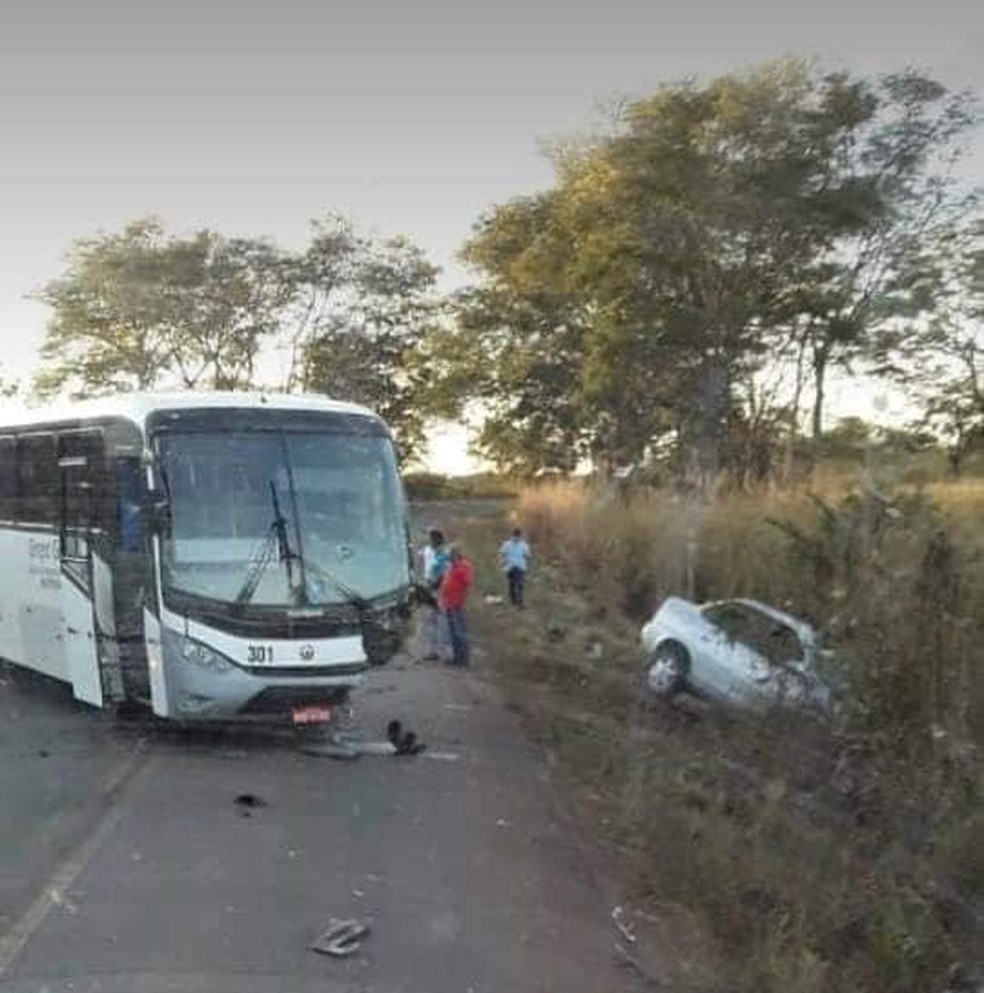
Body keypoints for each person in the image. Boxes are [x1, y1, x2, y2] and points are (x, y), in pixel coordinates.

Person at [419, 529, 452, 661]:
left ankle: (446, 653)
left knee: (441, 621)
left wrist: (432, 586)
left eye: (431, 539)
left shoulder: (443, 553)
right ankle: (434, 651)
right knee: (432, 620)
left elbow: (444, 574)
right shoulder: (438, 553)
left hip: (439, 591)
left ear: (437, 540)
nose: (430, 542)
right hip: (434, 589)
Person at [440, 545, 474, 668]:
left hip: (457, 603)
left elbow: (467, 584)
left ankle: (464, 659)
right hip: (449, 603)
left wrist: (462, 600)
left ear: (456, 555)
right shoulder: (452, 566)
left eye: (450, 556)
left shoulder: (464, 566)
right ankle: (457, 657)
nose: (449, 559)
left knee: (460, 632)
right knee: (453, 632)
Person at [499, 527, 531, 608]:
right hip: (510, 567)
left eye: (518, 536)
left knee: (520, 584)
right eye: (515, 536)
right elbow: (502, 553)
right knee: (512, 584)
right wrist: (502, 562)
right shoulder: (507, 544)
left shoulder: (524, 545)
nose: (516, 538)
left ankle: (521, 602)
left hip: (520, 567)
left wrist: (528, 556)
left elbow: (528, 555)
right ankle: (513, 600)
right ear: (512, 535)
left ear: (520, 536)